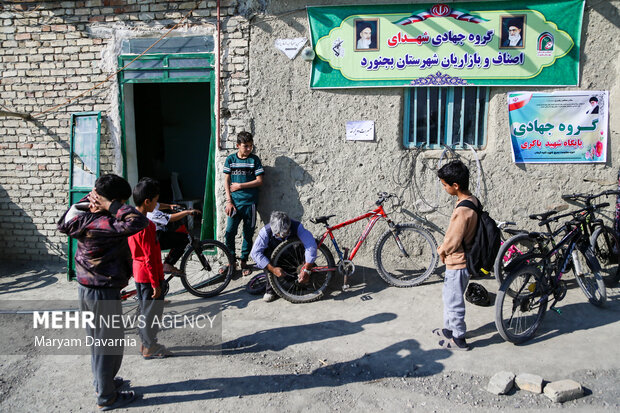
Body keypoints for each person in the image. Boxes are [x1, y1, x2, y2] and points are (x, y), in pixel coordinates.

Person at [57, 174, 149, 410]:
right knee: (107, 345)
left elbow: (62, 221)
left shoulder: (82, 216)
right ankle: (106, 397)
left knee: (103, 342)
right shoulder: (100, 223)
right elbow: (137, 221)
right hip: (100, 292)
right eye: (120, 200)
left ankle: (103, 382)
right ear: (114, 200)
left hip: (89, 290)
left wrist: (95, 199)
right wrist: (109, 205)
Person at [433, 160, 479, 351]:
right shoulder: (471, 200)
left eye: (444, 185)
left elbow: (452, 241)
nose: (444, 188)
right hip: (460, 261)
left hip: (457, 262)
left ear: (455, 185)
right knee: (449, 297)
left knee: (454, 302)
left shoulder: (462, 211)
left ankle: (458, 338)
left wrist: (440, 250)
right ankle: (449, 329)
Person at [128, 177, 173, 359]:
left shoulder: (131, 219)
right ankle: (149, 347)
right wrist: (156, 283)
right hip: (148, 276)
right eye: (155, 201)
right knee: (152, 313)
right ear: (147, 202)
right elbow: (148, 258)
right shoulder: (146, 226)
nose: (156, 205)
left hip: (140, 274)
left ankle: (145, 343)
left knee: (145, 310)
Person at [250, 211, 317, 302]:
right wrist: (273, 269)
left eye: (286, 232)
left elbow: (311, 245)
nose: (283, 236)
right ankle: (271, 290)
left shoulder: (297, 226)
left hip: (294, 256)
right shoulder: (265, 231)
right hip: (275, 260)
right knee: (264, 257)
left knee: (303, 247)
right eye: (279, 234)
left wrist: (307, 269)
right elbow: (255, 253)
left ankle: (306, 280)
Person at [223, 131, 264, 276]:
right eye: (246, 146)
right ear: (238, 146)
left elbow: (260, 181)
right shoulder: (231, 160)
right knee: (229, 233)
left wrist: (240, 186)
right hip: (234, 204)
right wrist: (229, 201)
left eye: (251, 146)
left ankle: (244, 262)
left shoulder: (254, 160)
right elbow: (226, 180)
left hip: (250, 204)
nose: (249, 149)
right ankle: (231, 261)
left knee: (248, 234)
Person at [147, 201, 200, 274]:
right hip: (156, 238)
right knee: (185, 239)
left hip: (156, 236)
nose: (155, 203)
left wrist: (169, 206)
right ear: (147, 201)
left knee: (174, 235)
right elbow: (170, 218)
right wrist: (187, 212)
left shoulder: (148, 206)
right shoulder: (151, 213)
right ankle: (168, 264)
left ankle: (167, 264)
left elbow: (157, 205)